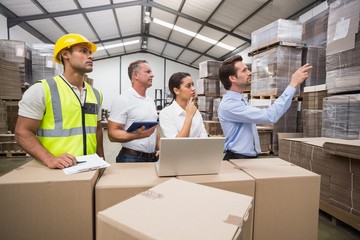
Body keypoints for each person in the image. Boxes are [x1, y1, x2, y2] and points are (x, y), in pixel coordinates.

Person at [15, 33, 104, 169]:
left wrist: (101, 160)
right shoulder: (42, 89)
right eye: (83, 51)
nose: (90, 56)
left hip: (90, 168)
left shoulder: (96, 94)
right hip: (58, 170)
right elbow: (22, 132)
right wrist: (50, 159)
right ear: (65, 54)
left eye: (90, 52)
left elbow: (97, 130)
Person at [218, 55, 312, 160]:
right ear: (232, 78)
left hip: (247, 158)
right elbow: (270, 116)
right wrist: (293, 84)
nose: (249, 73)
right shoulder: (229, 105)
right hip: (238, 159)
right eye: (244, 70)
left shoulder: (239, 99)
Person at [107, 60, 159, 163]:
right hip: (131, 158)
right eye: (148, 72)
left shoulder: (150, 101)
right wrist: (136, 136)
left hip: (152, 158)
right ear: (136, 75)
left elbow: (154, 129)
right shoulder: (123, 100)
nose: (152, 75)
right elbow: (112, 134)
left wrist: (159, 148)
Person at [159, 72, 208, 138]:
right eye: (188, 86)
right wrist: (189, 116)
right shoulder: (166, 114)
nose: (193, 89)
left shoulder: (195, 111)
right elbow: (177, 143)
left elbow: (204, 138)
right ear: (176, 90)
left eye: (193, 85)